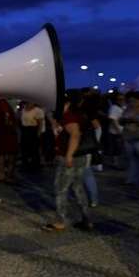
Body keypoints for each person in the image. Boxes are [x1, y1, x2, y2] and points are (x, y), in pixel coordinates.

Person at [44, 92, 94, 232]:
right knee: (78, 188)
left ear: (66, 104)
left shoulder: (69, 117)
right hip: (79, 157)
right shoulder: (70, 116)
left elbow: (75, 135)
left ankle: (60, 221)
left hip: (69, 158)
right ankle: (87, 220)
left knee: (60, 189)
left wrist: (69, 156)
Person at [0, 99, 19, 184]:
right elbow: (8, 120)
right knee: (11, 157)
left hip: (0, 135)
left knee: (1, 156)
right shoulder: (6, 105)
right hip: (10, 135)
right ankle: (9, 176)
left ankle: (1, 175)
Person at [19, 102, 44, 174]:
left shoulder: (37, 110)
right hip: (25, 130)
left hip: (33, 130)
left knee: (34, 149)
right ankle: (25, 165)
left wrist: (38, 134)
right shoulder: (23, 109)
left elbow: (40, 123)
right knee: (24, 148)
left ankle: (35, 166)